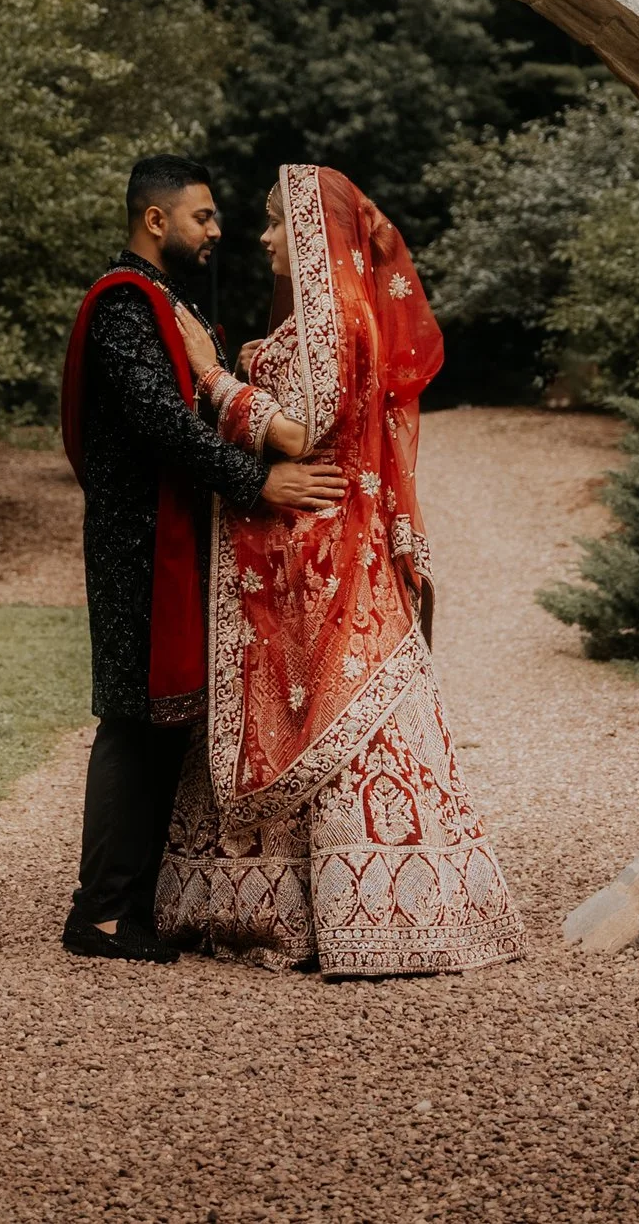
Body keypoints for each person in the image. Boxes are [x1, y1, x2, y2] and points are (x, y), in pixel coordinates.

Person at [155, 164, 524, 976]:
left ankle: (335, 912)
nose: (262, 238)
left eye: (276, 223)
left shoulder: (335, 315)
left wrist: (213, 376)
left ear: (315, 232)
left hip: (317, 559)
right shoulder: (343, 319)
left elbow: (304, 426)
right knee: (355, 719)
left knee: (322, 714)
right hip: (328, 550)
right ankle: (366, 906)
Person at [58, 155, 348, 963]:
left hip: (172, 541)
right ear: (157, 221)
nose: (218, 231)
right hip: (138, 545)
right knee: (132, 721)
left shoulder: (168, 303)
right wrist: (264, 482)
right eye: (204, 217)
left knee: (164, 722)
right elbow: (162, 426)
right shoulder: (124, 304)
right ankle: (102, 914)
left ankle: (136, 900)